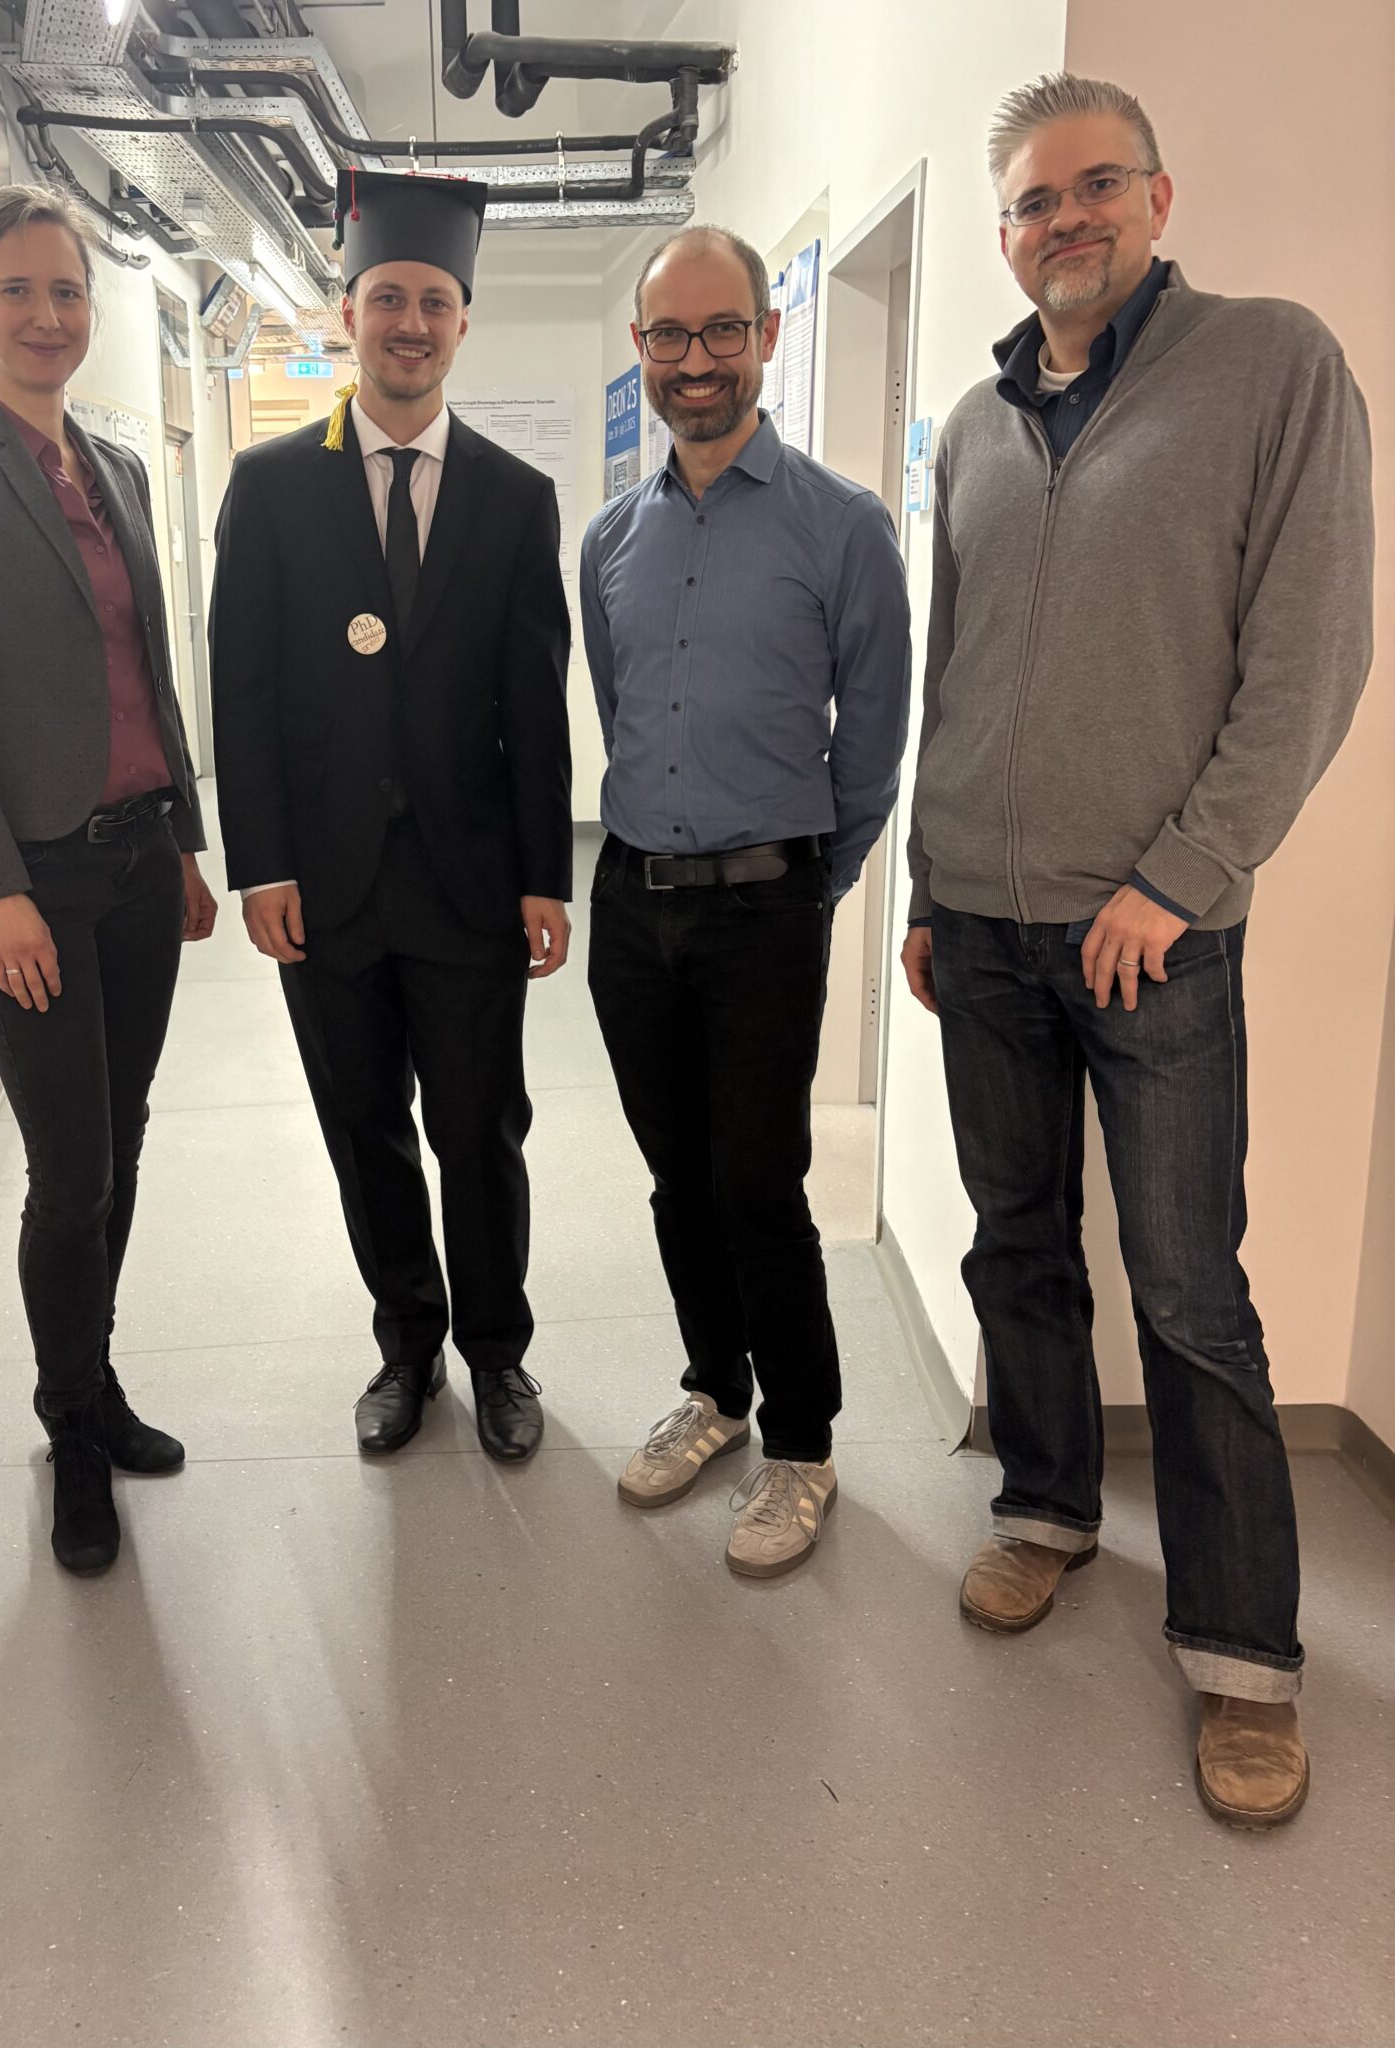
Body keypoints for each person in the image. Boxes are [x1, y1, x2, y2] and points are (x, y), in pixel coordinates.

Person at [901, 73, 1375, 1825]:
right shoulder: (973, 424)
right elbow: (952, 676)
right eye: (1034, 201)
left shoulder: (1271, 367)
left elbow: (1312, 656)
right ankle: (1044, 1506)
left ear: (1158, 199)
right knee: (1017, 1244)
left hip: (1155, 938)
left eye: (1097, 185)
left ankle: (1244, 1656)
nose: (1066, 220)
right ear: (1005, 235)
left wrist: (1180, 878)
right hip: (987, 926)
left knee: (1187, 1290)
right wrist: (931, 886)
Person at [0, 186, 217, 1576]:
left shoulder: (117, 467)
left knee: (118, 1143)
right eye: (16, 290)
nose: (46, 316)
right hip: (31, 883)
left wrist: (186, 837)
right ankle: (70, 1424)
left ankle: (97, 1370)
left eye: (67, 291)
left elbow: (151, 668)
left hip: (137, 863)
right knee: (69, 1170)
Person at [210, 169, 571, 1464]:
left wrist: (546, 874)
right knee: (363, 1128)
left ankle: (499, 1353)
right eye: (387, 300)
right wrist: (260, 865)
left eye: (433, 302)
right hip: (327, 885)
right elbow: (243, 690)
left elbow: (535, 703)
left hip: (470, 884)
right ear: (347, 310)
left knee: (480, 1132)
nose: (409, 324)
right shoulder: (270, 485)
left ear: (463, 321)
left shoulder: (515, 498)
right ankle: (407, 1346)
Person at [582, 225, 911, 1578]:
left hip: (767, 909)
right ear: (642, 351)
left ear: (768, 337)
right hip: (631, 902)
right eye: (670, 335)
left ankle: (805, 1444)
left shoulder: (843, 526)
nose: (697, 358)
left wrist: (810, 886)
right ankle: (717, 1391)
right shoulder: (612, 536)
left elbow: (872, 742)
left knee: (758, 1182)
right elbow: (617, 701)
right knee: (678, 1179)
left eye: (724, 330)